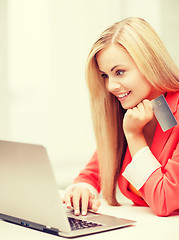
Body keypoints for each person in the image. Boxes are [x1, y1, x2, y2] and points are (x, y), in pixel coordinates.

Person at [63, 17, 179, 217]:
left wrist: (134, 136)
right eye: (105, 75)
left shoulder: (136, 123)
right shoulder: (131, 112)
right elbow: (90, 175)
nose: (110, 86)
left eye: (119, 72)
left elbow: (164, 199)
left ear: (150, 64)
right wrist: (82, 191)